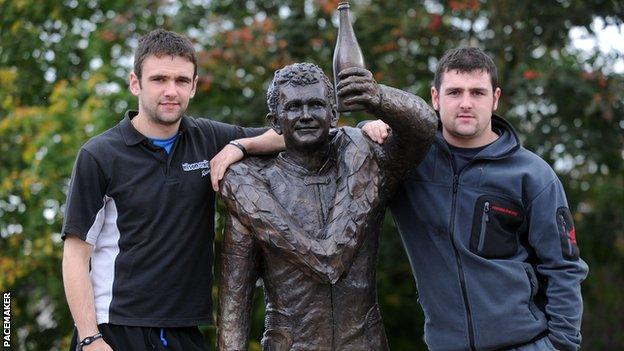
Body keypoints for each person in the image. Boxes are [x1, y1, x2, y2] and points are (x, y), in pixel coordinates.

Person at [61, 29, 283, 350]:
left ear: (193, 87)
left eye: (181, 81)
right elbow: (75, 254)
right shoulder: (99, 155)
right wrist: (89, 336)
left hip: (184, 331)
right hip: (116, 329)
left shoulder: (206, 138)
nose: (171, 91)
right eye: (159, 79)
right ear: (135, 83)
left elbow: (292, 135)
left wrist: (239, 145)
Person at [361, 47, 588, 351]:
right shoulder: (409, 160)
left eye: (477, 93)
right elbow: (316, 141)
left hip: (526, 344)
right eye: (454, 92)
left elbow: (564, 268)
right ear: (435, 98)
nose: (466, 103)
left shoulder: (533, 175)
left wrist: (560, 345)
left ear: (495, 98)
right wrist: (366, 128)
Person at [216, 62, 437, 350]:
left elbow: (423, 128)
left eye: (316, 105)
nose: (306, 115)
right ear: (275, 120)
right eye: (293, 107)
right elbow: (235, 304)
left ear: (333, 114)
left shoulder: (370, 165)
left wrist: (377, 98)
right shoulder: (255, 190)